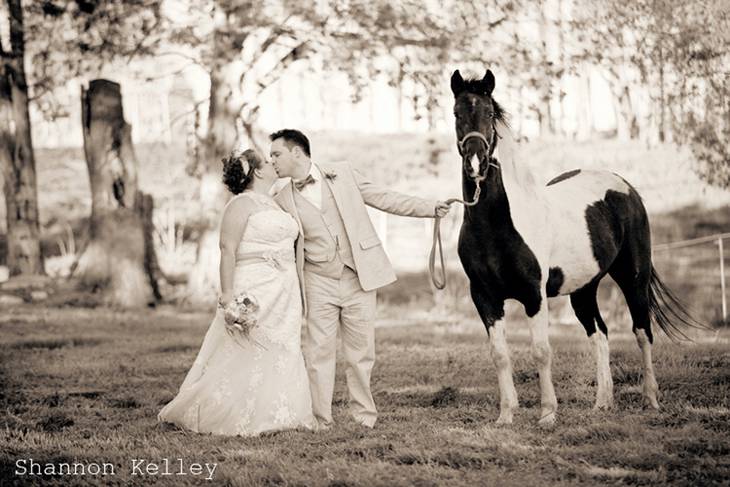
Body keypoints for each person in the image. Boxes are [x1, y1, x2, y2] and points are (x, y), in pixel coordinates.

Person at [270, 129, 450, 429]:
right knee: (318, 353)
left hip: (359, 276)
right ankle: (320, 420)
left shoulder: (342, 173)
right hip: (317, 280)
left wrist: (429, 208)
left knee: (361, 353)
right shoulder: (278, 194)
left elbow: (385, 198)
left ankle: (364, 417)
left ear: (297, 153)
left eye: (276, 154)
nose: (271, 161)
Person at [158, 148, 315, 436]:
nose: (272, 163)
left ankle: (280, 410)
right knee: (248, 343)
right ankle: (230, 411)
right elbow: (227, 249)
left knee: (282, 344)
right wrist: (228, 293)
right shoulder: (241, 204)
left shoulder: (275, 203)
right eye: (267, 161)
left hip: (284, 287)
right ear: (257, 171)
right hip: (254, 284)